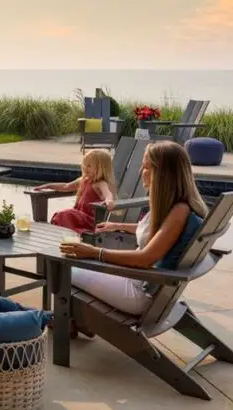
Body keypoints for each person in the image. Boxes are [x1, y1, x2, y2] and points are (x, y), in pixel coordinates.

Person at [59, 140, 208, 333]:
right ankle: (80, 321)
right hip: (143, 283)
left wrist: (95, 253)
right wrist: (117, 225)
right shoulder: (177, 206)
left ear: (162, 173)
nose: (141, 172)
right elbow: (155, 232)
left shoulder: (179, 211)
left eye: (146, 167)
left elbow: (145, 258)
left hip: (139, 292)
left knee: (61, 268)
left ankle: (69, 323)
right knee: (72, 265)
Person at [34, 149, 116, 234]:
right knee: (62, 214)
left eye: (89, 166)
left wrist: (109, 200)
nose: (85, 167)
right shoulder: (84, 180)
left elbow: (108, 193)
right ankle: (64, 236)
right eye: (85, 164)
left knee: (65, 215)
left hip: (90, 220)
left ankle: (71, 236)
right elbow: (66, 186)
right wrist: (49, 185)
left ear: (100, 168)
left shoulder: (100, 183)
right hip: (78, 217)